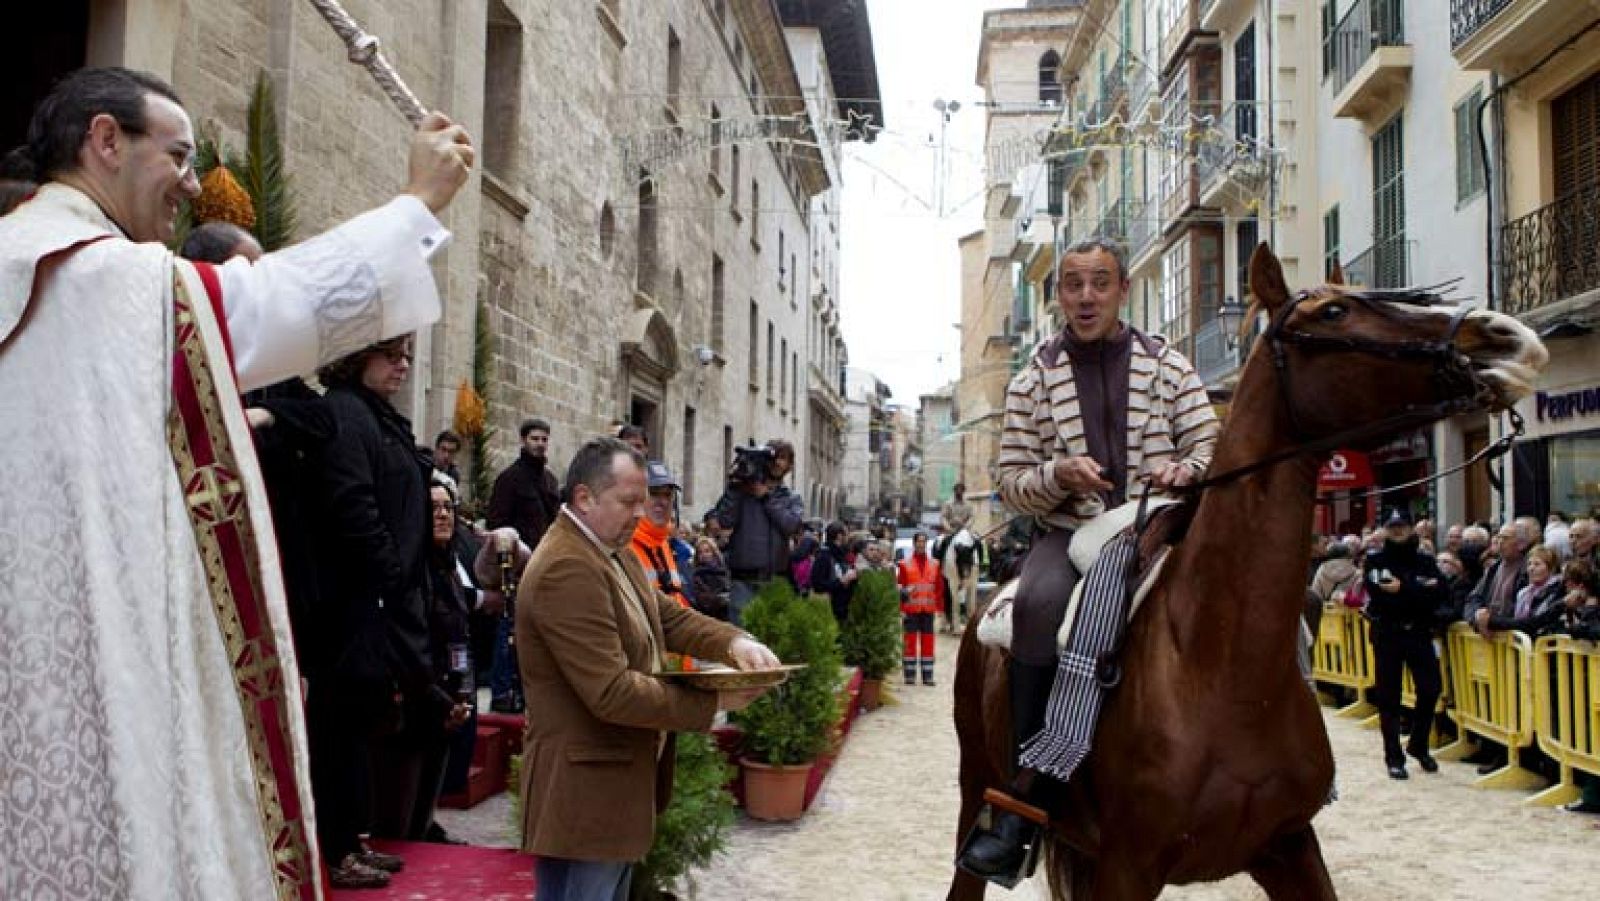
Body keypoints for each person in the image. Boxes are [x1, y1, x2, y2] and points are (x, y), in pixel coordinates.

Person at [0, 66, 471, 899]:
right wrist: (417, 203)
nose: (191, 182)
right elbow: (280, 303)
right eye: (177, 155)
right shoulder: (119, 284)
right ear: (105, 141)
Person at [959, 237, 1219, 883]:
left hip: (1163, 525)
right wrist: (1058, 473)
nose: (1085, 295)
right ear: (1057, 297)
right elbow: (1012, 479)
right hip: (1071, 534)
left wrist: (1184, 467)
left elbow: (1213, 444)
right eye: (1072, 284)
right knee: (1038, 609)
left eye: (1099, 282)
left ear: (1122, 289)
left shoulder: (1170, 365)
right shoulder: (1030, 381)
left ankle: (1285, 776)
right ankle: (1027, 795)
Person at [515, 438, 780, 900]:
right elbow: (612, 691)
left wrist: (734, 642)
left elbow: (669, 617)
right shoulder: (567, 566)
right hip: (586, 792)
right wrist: (715, 700)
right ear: (584, 497)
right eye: (629, 501)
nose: (642, 513)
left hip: (607, 786)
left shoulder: (609, 549)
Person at [1362, 509, 1447, 781]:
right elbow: (1379, 591)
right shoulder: (1375, 560)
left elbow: (1439, 592)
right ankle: (1393, 757)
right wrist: (1417, 591)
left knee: (1431, 688)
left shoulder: (1425, 560)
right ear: (1385, 530)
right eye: (1392, 526)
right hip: (1388, 634)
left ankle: (1419, 744)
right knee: (1389, 698)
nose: (1397, 530)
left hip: (1418, 633)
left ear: (1412, 528)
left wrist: (1405, 589)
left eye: (1402, 526)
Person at [486, 417, 561, 712]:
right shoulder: (510, 479)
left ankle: (529, 690)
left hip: (547, 568)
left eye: (544, 439)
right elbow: (496, 524)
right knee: (509, 629)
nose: (540, 444)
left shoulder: (550, 481)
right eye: (534, 439)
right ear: (523, 441)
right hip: (516, 569)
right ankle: (503, 691)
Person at [707, 439, 805, 624]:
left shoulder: (791, 498)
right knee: (742, 640)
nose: (777, 462)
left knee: (770, 640)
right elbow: (725, 521)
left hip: (774, 580)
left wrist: (766, 497)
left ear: (790, 466)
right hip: (742, 581)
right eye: (773, 456)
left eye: (783, 458)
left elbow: (791, 525)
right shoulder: (743, 492)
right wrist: (734, 488)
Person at [897, 531, 943, 686]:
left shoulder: (935, 564)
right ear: (914, 543)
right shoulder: (904, 564)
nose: (921, 544)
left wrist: (939, 608)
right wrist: (901, 609)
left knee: (928, 643)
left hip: (928, 611)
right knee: (909, 643)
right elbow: (900, 588)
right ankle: (909, 675)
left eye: (924, 541)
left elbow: (938, 589)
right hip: (910, 611)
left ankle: (927, 676)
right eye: (919, 541)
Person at [810, 521, 859, 625]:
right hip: (830, 611)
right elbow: (817, 584)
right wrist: (842, 581)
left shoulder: (841, 555)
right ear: (839, 536)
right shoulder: (824, 556)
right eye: (846, 534)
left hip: (842, 610)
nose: (848, 537)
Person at [689, 536, 732, 620]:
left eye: (707, 551)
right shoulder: (697, 576)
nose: (704, 555)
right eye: (700, 552)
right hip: (712, 618)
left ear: (714, 552)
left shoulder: (725, 570)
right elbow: (704, 600)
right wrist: (721, 599)